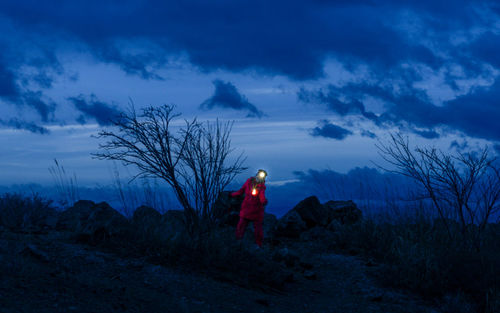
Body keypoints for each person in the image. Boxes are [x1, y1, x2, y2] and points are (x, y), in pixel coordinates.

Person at [230, 169, 268, 247]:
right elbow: (241, 191)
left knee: (255, 230)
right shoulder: (249, 182)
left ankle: (257, 245)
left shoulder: (261, 187)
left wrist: (264, 201)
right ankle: (240, 243)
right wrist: (232, 194)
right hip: (249, 210)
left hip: (252, 211)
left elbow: (261, 197)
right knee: (242, 227)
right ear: (256, 174)